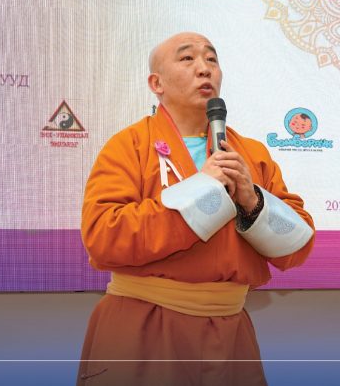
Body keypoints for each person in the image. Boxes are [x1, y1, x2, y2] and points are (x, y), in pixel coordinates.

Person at [77, 32, 315, 385]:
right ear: (156, 84)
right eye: (187, 59)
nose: (204, 69)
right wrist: (205, 190)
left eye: (211, 59)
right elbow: (103, 237)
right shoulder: (129, 145)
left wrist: (252, 201)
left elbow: (298, 246)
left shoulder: (251, 154)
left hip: (230, 332)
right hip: (144, 324)